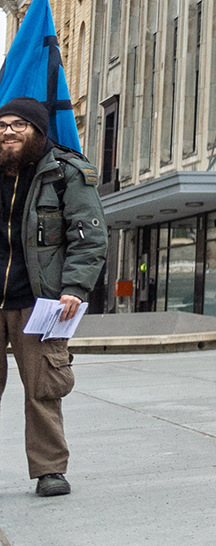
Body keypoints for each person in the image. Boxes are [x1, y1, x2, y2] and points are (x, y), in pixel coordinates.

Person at [0, 97, 106, 498]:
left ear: (38, 130)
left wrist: (75, 288)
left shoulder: (65, 172)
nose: (8, 131)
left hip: (38, 301)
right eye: (2, 125)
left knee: (43, 388)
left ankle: (49, 470)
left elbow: (90, 234)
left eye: (18, 125)